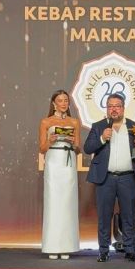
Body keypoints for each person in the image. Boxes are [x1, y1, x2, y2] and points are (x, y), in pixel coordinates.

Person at [83, 93, 135, 263]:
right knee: (104, 216)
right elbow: (87, 148)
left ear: (123, 108)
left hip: (127, 178)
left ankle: (130, 250)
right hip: (105, 178)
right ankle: (103, 251)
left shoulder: (134, 126)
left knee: (129, 215)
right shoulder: (99, 126)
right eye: (110, 106)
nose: (114, 109)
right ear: (107, 109)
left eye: (117, 106)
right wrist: (102, 138)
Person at [38, 90, 81, 260]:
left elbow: (78, 148)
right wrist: (51, 140)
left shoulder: (74, 122)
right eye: (60, 100)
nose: (63, 103)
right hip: (53, 161)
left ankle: (67, 246)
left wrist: (73, 143)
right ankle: (52, 245)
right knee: (53, 202)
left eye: (66, 100)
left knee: (67, 203)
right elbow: (42, 148)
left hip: (68, 161)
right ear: (54, 103)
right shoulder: (46, 122)